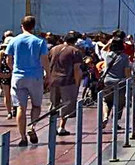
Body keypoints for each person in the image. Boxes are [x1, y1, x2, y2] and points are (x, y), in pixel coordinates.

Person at [6, 16, 49, 147]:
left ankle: (23, 137)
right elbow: (44, 60)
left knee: (20, 107)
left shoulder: (14, 40)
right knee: (36, 105)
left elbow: (9, 60)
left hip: (18, 76)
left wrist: (15, 70)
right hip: (35, 76)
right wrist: (48, 74)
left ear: (22, 26)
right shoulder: (39, 41)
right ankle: (32, 126)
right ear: (34, 26)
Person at [47, 32, 83, 136]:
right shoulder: (75, 51)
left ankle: (52, 126)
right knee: (67, 106)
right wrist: (77, 83)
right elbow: (77, 69)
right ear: (75, 41)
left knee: (54, 104)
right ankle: (61, 127)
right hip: (68, 81)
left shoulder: (53, 49)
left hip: (54, 80)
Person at [101, 37, 131, 123]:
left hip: (107, 82)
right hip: (120, 82)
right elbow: (127, 72)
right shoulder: (125, 57)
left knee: (106, 101)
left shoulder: (107, 55)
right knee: (119, 103)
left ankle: (105, 116)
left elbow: (102, 49)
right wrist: (130, 82)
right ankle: (115, 122)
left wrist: (109, 43)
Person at [0, 31, 13, 119]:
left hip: (6, 75)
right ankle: (10, 111)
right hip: (8, 75)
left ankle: (10, 111)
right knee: (9, 94)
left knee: (9, 94)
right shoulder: (2, 54)